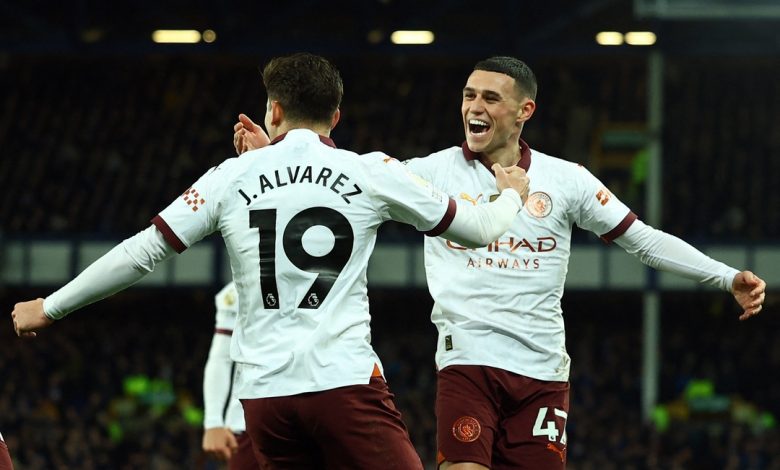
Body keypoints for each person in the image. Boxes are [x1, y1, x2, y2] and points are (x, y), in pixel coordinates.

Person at [233, 55, 767, 469]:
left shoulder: (567, 180)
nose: (475, 107)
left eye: (490, 98)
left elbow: (643, 240)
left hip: (543, 372)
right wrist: (273, 155)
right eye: (469, 95)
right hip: (467, 363)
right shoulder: (430, 173)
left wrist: (725, 276)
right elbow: (340, 182)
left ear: (524, 111)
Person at [11, 52, 533, 468]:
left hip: (265, 400)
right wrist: (510, 193)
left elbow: (142, 251)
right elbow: (479, 229)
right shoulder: (371, 171)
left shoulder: (230, 176)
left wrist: (50, 306)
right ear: (336, 116)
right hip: (343, 385)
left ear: (274, 111)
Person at [202, 282, 258, 469]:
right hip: (246, 422)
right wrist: (213, 422)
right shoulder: (239, 289)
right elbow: (221, 358)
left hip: (313, 413)